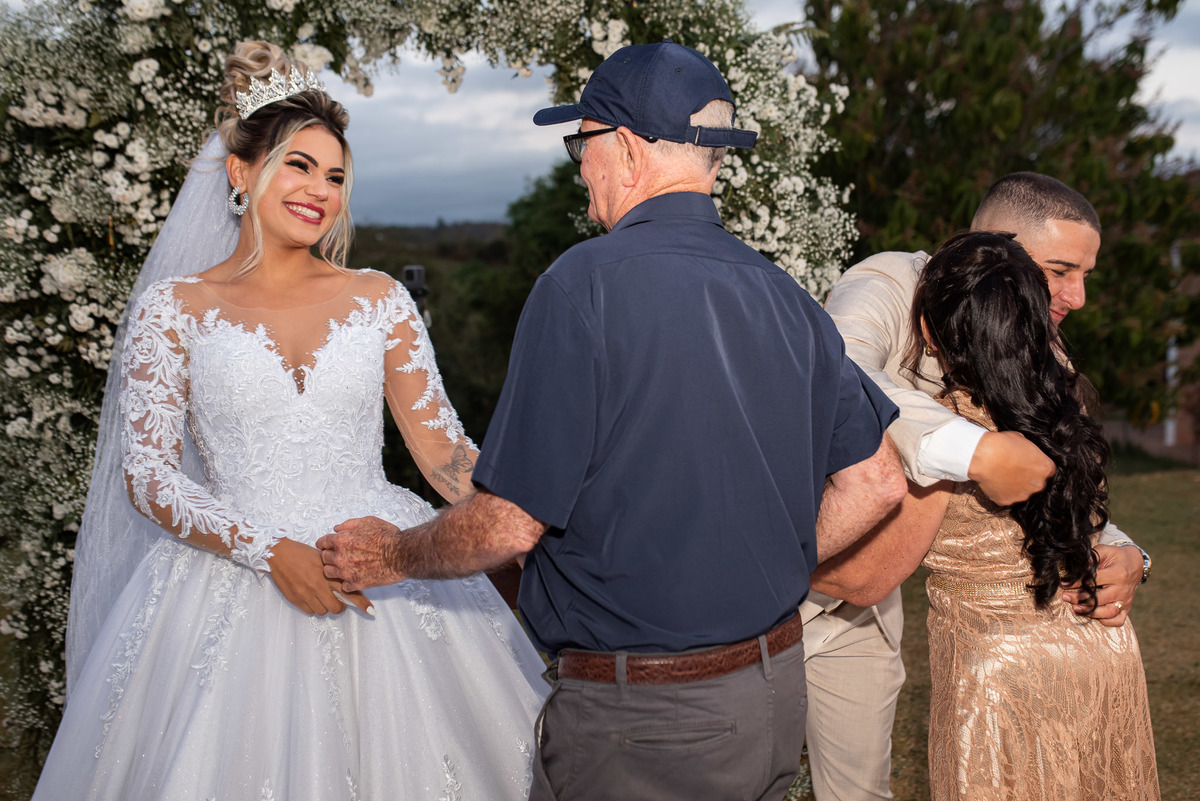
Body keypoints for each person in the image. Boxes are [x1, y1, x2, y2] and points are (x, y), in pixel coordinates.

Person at [318, 39, 906, 801]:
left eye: (581, 144)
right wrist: (765, 562)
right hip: (770, 697)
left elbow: (507, 525)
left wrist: (394, 552)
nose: (579, 167)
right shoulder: (786, 296)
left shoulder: (580, 287)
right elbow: (878, 480)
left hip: (641, 727)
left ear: (625, 149)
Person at [34, 41, 547, 801]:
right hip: (228, 579)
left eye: (335, 176)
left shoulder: (379, 299)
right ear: (241, 173)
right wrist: (269, 550)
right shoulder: (174, 308)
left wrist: (532, 515)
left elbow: (444, 454)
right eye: (299, 166)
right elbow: (147, 475)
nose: (320, 191)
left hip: (378, 570)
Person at [800, 172, 1151, 801]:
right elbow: (838, 367)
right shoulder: (889, 283)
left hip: (869, 610)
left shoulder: (1042, 348)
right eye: (1061, 270)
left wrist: (1128, 552)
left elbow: (1060, 477)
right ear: (997, 245)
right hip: (778, 587)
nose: (1077, 296)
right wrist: (975, 450)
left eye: (1086, 275)